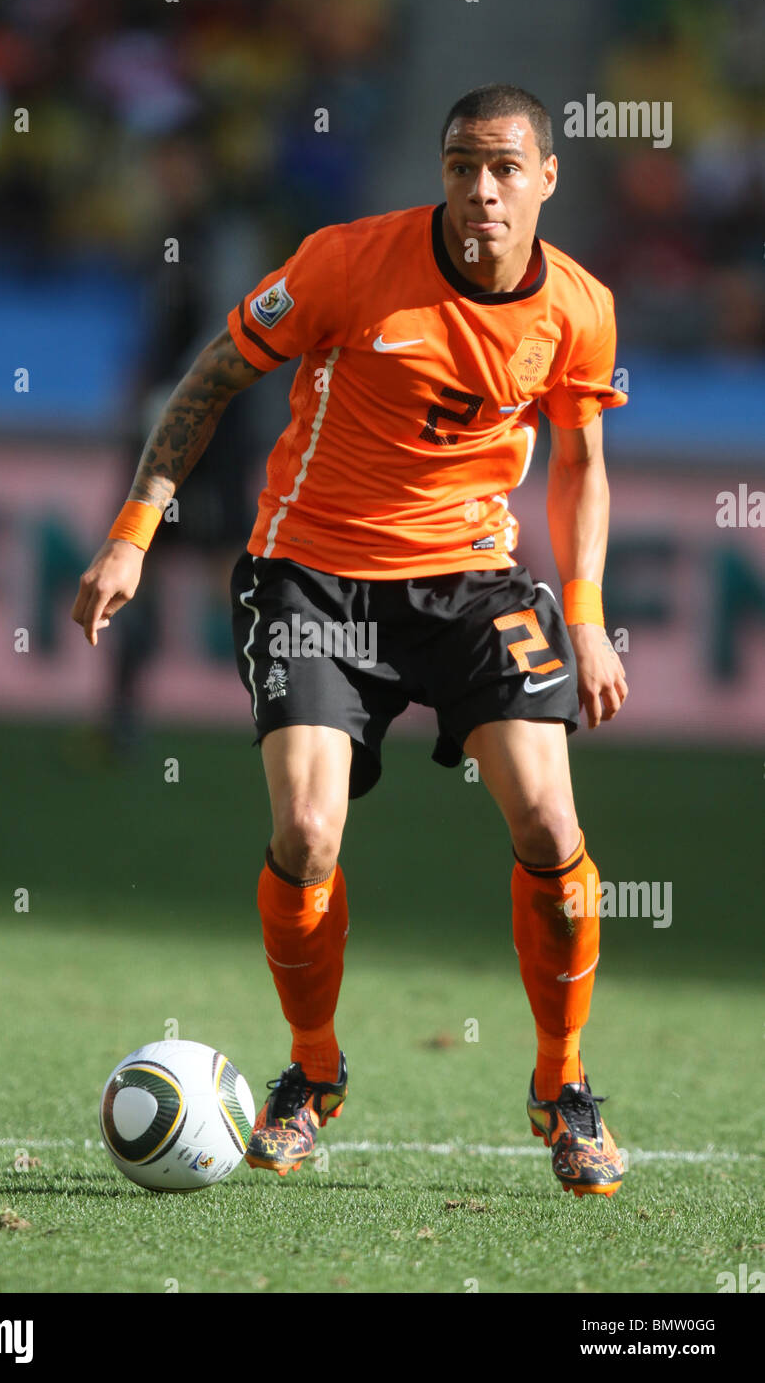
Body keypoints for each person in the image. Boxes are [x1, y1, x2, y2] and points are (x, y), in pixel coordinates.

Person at [72, 83, 629, 1199]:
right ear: (441, 169)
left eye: (505, 168)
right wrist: (134, 533)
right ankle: (311, 1073)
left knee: (550, 822)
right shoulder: (343, 263)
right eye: (463, 164)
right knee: (309, 832)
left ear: (546, 178)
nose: (481, 189)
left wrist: (583, 611)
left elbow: (576, 462)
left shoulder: (579, 306)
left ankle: (562, 1086)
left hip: (475, 581)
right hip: (312, 575)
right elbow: (211, 378)